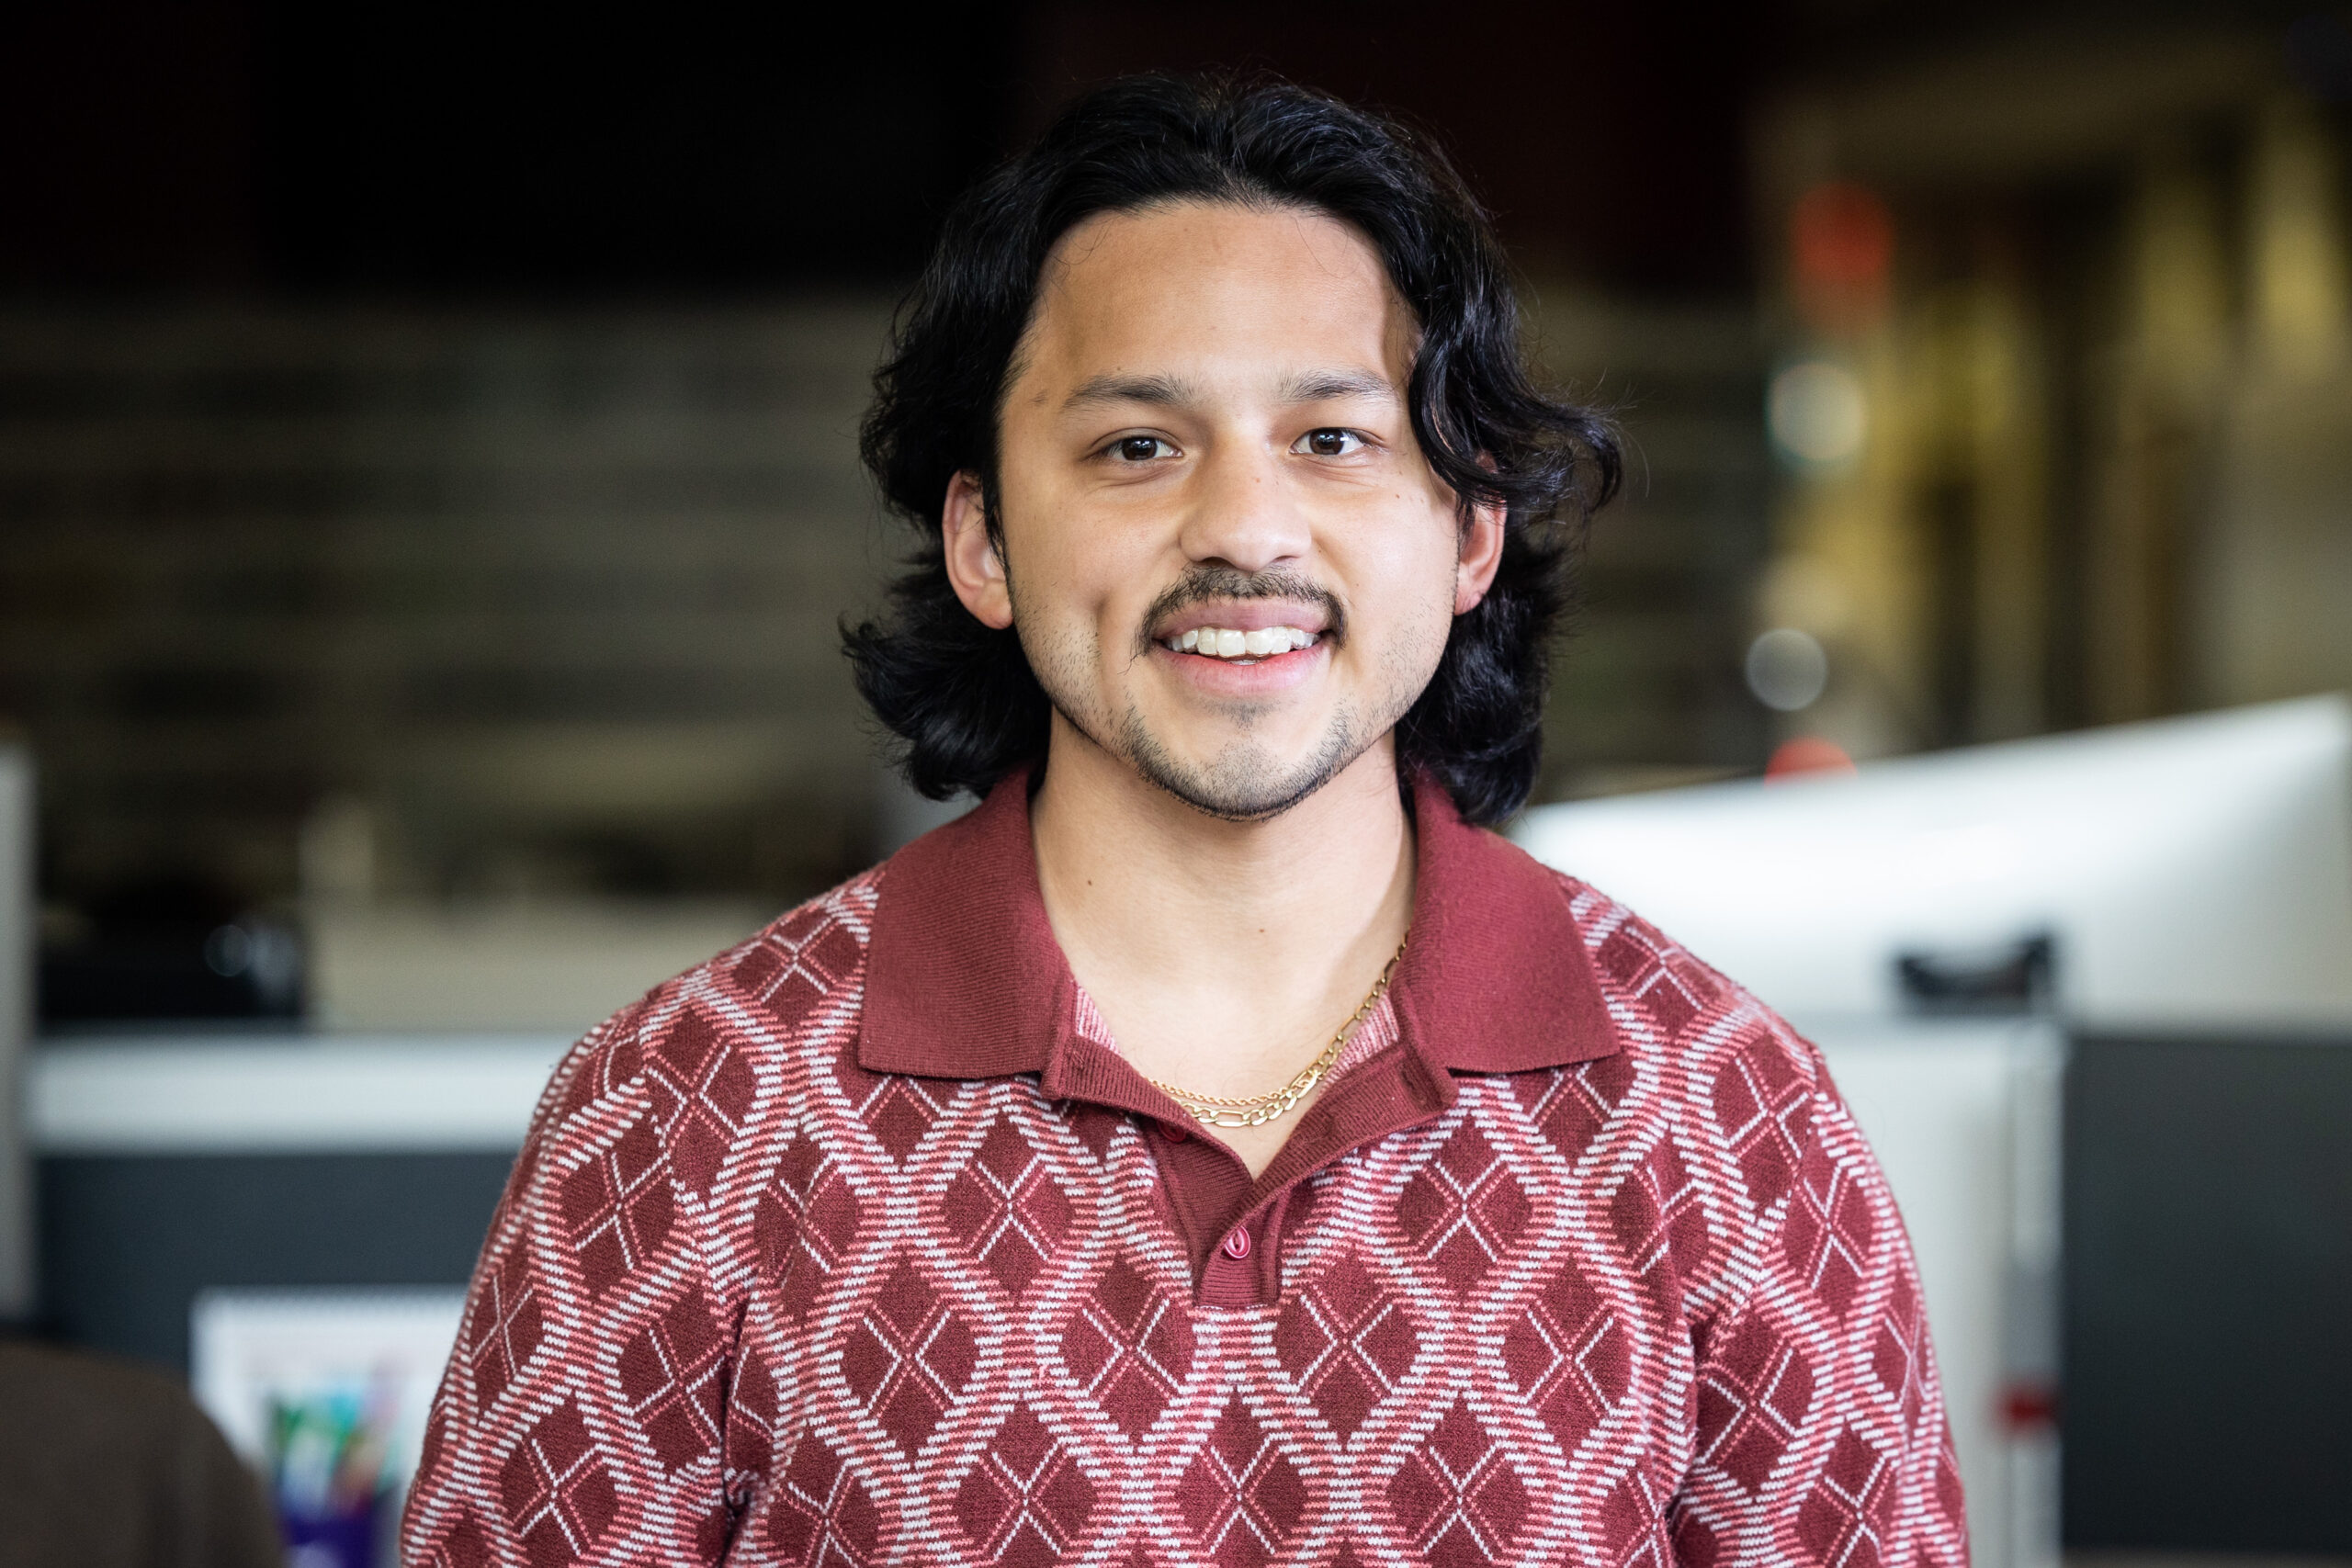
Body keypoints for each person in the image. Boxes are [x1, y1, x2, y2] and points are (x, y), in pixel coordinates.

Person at [401, 75, 1967, 1568]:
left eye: (1333, 439)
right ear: (983, 540)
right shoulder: (684, 1116)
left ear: (1471, 531)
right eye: (1137, 446)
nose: (1244, 527)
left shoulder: (1732, 1123)